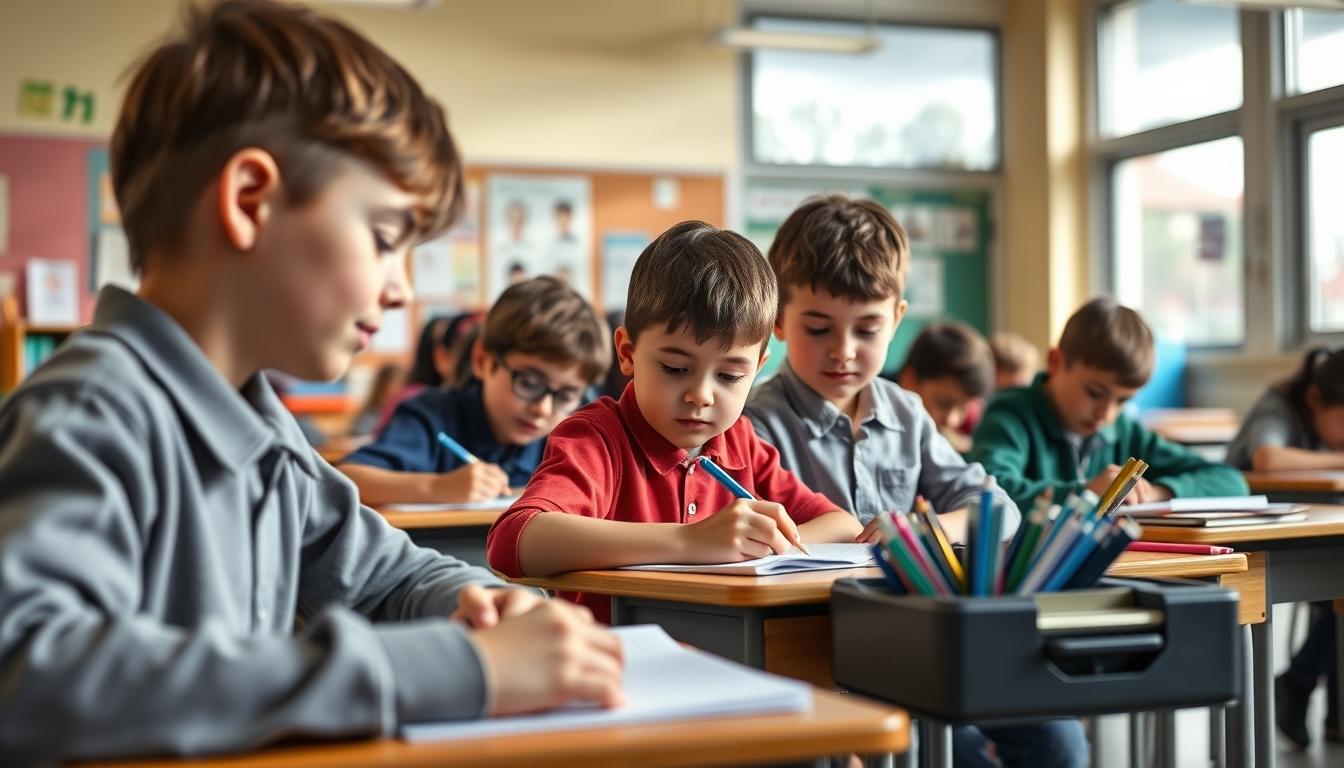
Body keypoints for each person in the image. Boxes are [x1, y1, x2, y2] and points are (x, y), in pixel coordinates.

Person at [0, 2, 621, 761]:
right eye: (386, 239)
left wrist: (481, 602)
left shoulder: (264, 433)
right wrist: (455, 668)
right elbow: (31, 674)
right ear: (250, 201)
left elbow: (383, 575)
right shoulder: (92, 412)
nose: (401, 291)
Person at [744, 194, 1079, 768]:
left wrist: (921, 529)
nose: (843, 351)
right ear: (778, 320)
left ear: (898, 318)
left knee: (1057, 738)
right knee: (940, 750)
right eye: (818, 327)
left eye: (867, 329)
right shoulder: (754, 418)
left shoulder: (906, 411)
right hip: (815, 645)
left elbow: (998, 508)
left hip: (923, 635)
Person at [487, 221, 862, 623]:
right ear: (627, 353)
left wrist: (762, 540)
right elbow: (514, 540)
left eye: (730, 376)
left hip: (722, 658)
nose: (700, 394)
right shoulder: (597, 439)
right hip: (615, 664)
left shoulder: (739, 442)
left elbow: (842, 523)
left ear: (758, 368)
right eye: (674, 367)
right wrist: (690, 541)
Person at [340, 276, 610, 505]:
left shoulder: (566, 440)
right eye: (528, 383)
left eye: (565, 396)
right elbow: (348, 478)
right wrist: (438, 488)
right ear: (482, 360)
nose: (543, 409)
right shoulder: (432, 416)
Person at [970, 297, 1248, 513]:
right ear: (1056, 363)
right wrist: (1085, 491)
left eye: (1123, 400)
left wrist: (1156, 493)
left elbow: (1230, 481)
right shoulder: (1010, 415)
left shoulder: (1123, 430)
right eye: (1094, 392)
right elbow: (986, 491)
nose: (1106, 414)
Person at [1225, 346, 1344, 749]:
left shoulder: (1318, 415)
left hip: (1310, 531)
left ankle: (1319, 699)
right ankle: (1300, 684)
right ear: (1315, 399)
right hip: (1252, 538)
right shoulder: (1277, 406)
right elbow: (1268, 459)